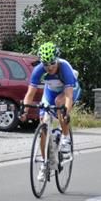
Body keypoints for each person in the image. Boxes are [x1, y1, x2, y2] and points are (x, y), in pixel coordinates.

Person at [20, 41, 80, 182]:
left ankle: (65, 138)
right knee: (43, 125)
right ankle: (45, 163)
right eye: (46, 64)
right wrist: (24, 111)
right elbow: (30, 94)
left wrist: (66, 113)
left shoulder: (65, 67)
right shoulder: (38, 70)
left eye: (52, 63)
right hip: (50, 92)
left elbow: (69, 96)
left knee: (60, 103)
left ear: (57, 60)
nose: (49, 67)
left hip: (69, 91)